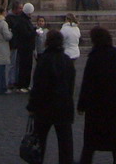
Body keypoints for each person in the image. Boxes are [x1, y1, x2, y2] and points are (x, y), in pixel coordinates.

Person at [77, 26, 116, 164]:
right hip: (115, 105)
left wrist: (82, 104)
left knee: (90, 140)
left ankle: (85, 161)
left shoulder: (94, 56)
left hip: (96, 106)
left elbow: (87, 82)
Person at [28, 28, 75, 164]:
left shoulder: (43, 60)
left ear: (47, 42)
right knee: (65, 142)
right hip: (63, 106)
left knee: (39, 141)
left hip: (44, 107)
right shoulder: (67, 60)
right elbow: (71, 85)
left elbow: (37, 86)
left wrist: (32, 106)